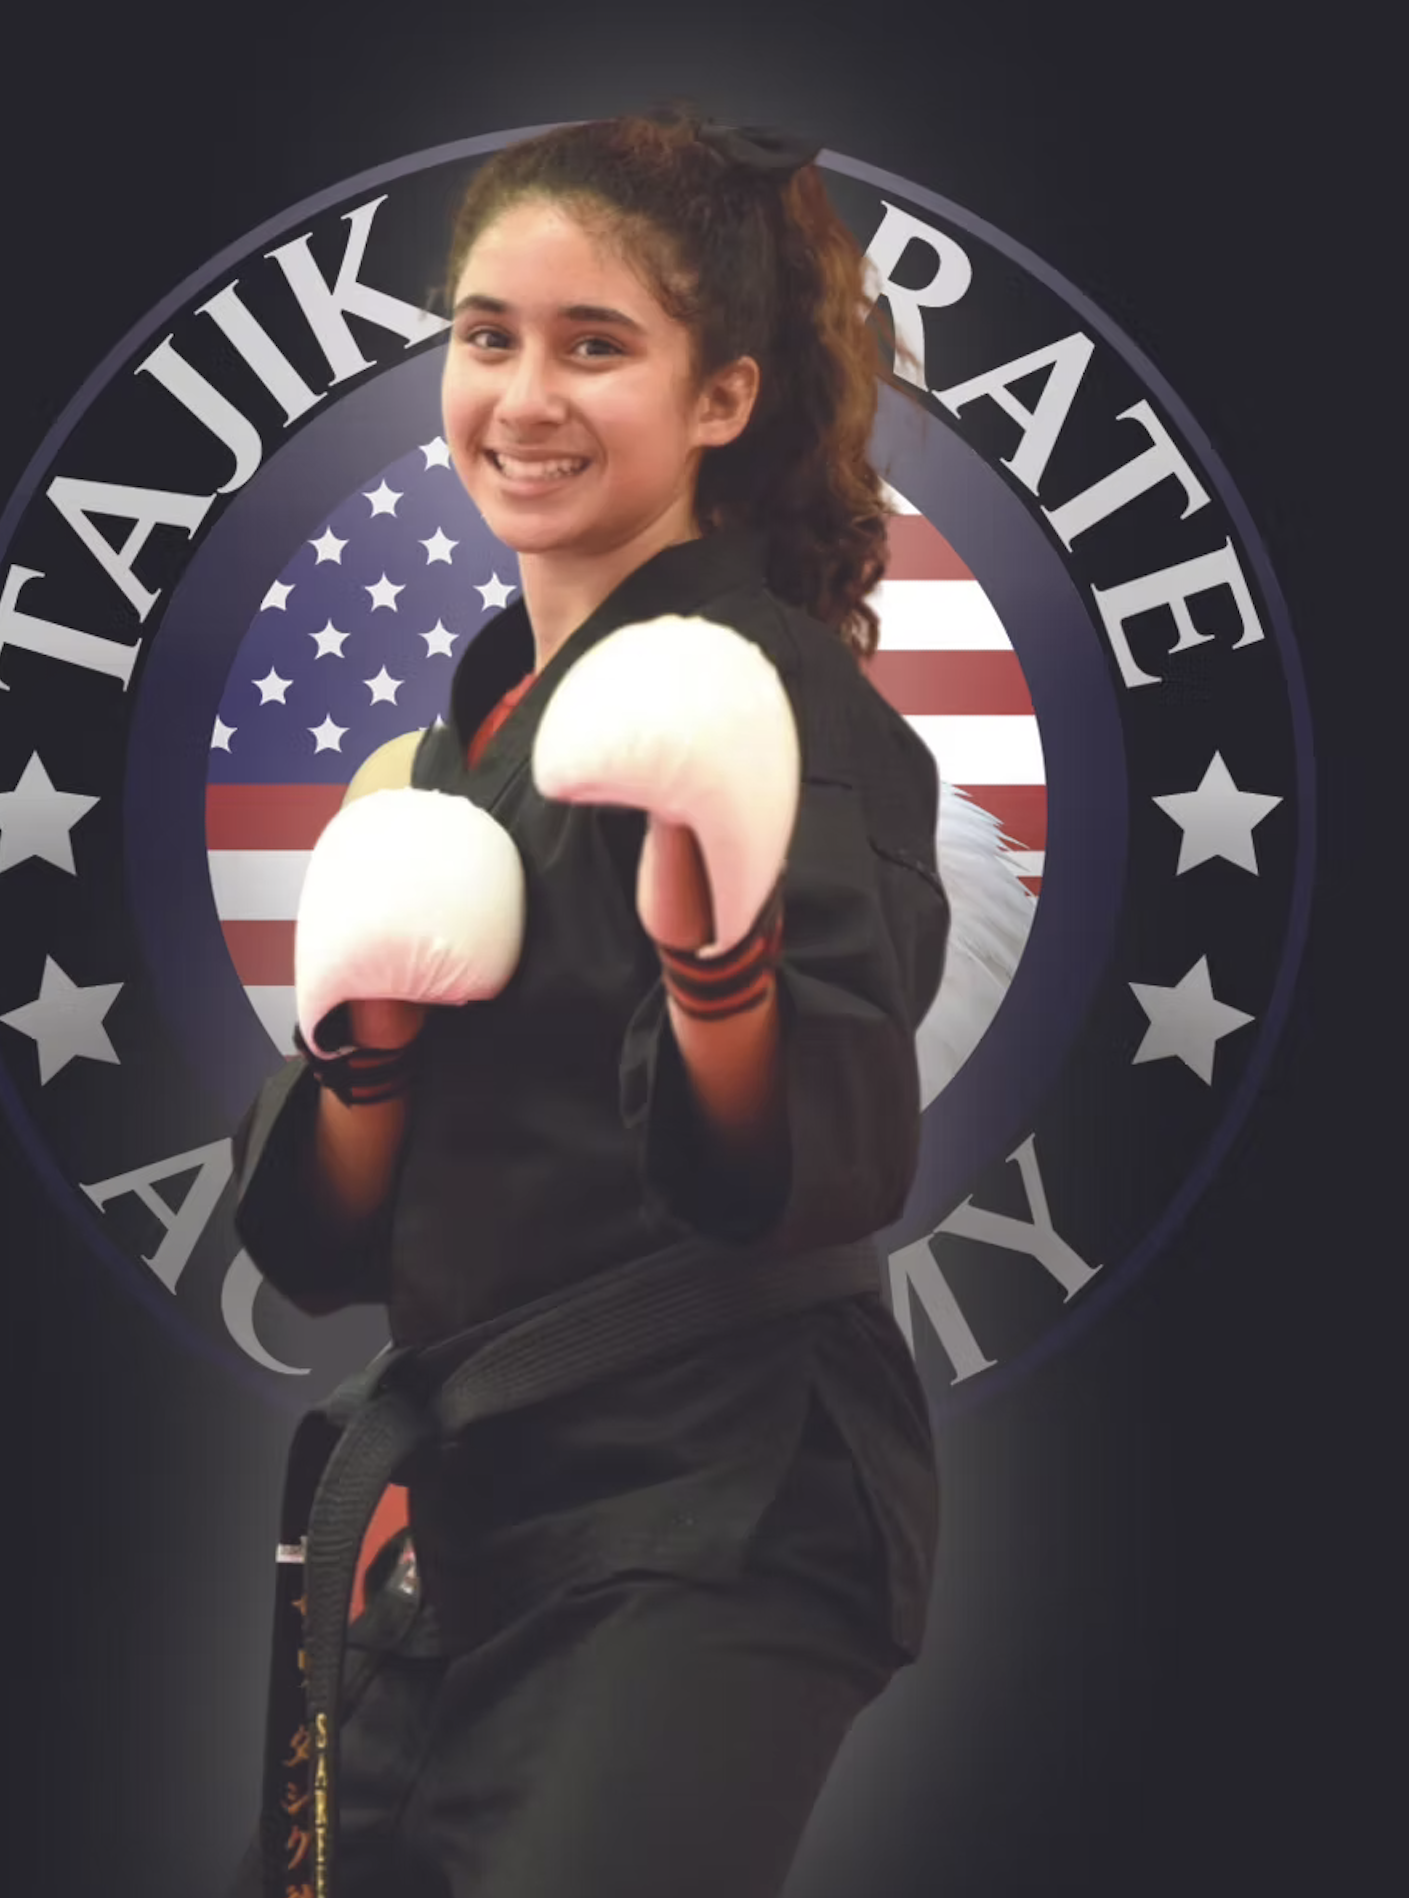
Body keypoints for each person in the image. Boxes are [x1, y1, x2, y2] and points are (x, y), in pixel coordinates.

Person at [229, 108, 951, 1898]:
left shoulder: (771, 713)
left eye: (593, 344)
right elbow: (320, 1251)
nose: (522, 396)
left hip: (714, 1495)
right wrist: (361, 1051)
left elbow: (818, 1168)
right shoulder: (444, 756)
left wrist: (716, 955)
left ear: (721, 396)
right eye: (487, 336)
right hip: (465, 1522)